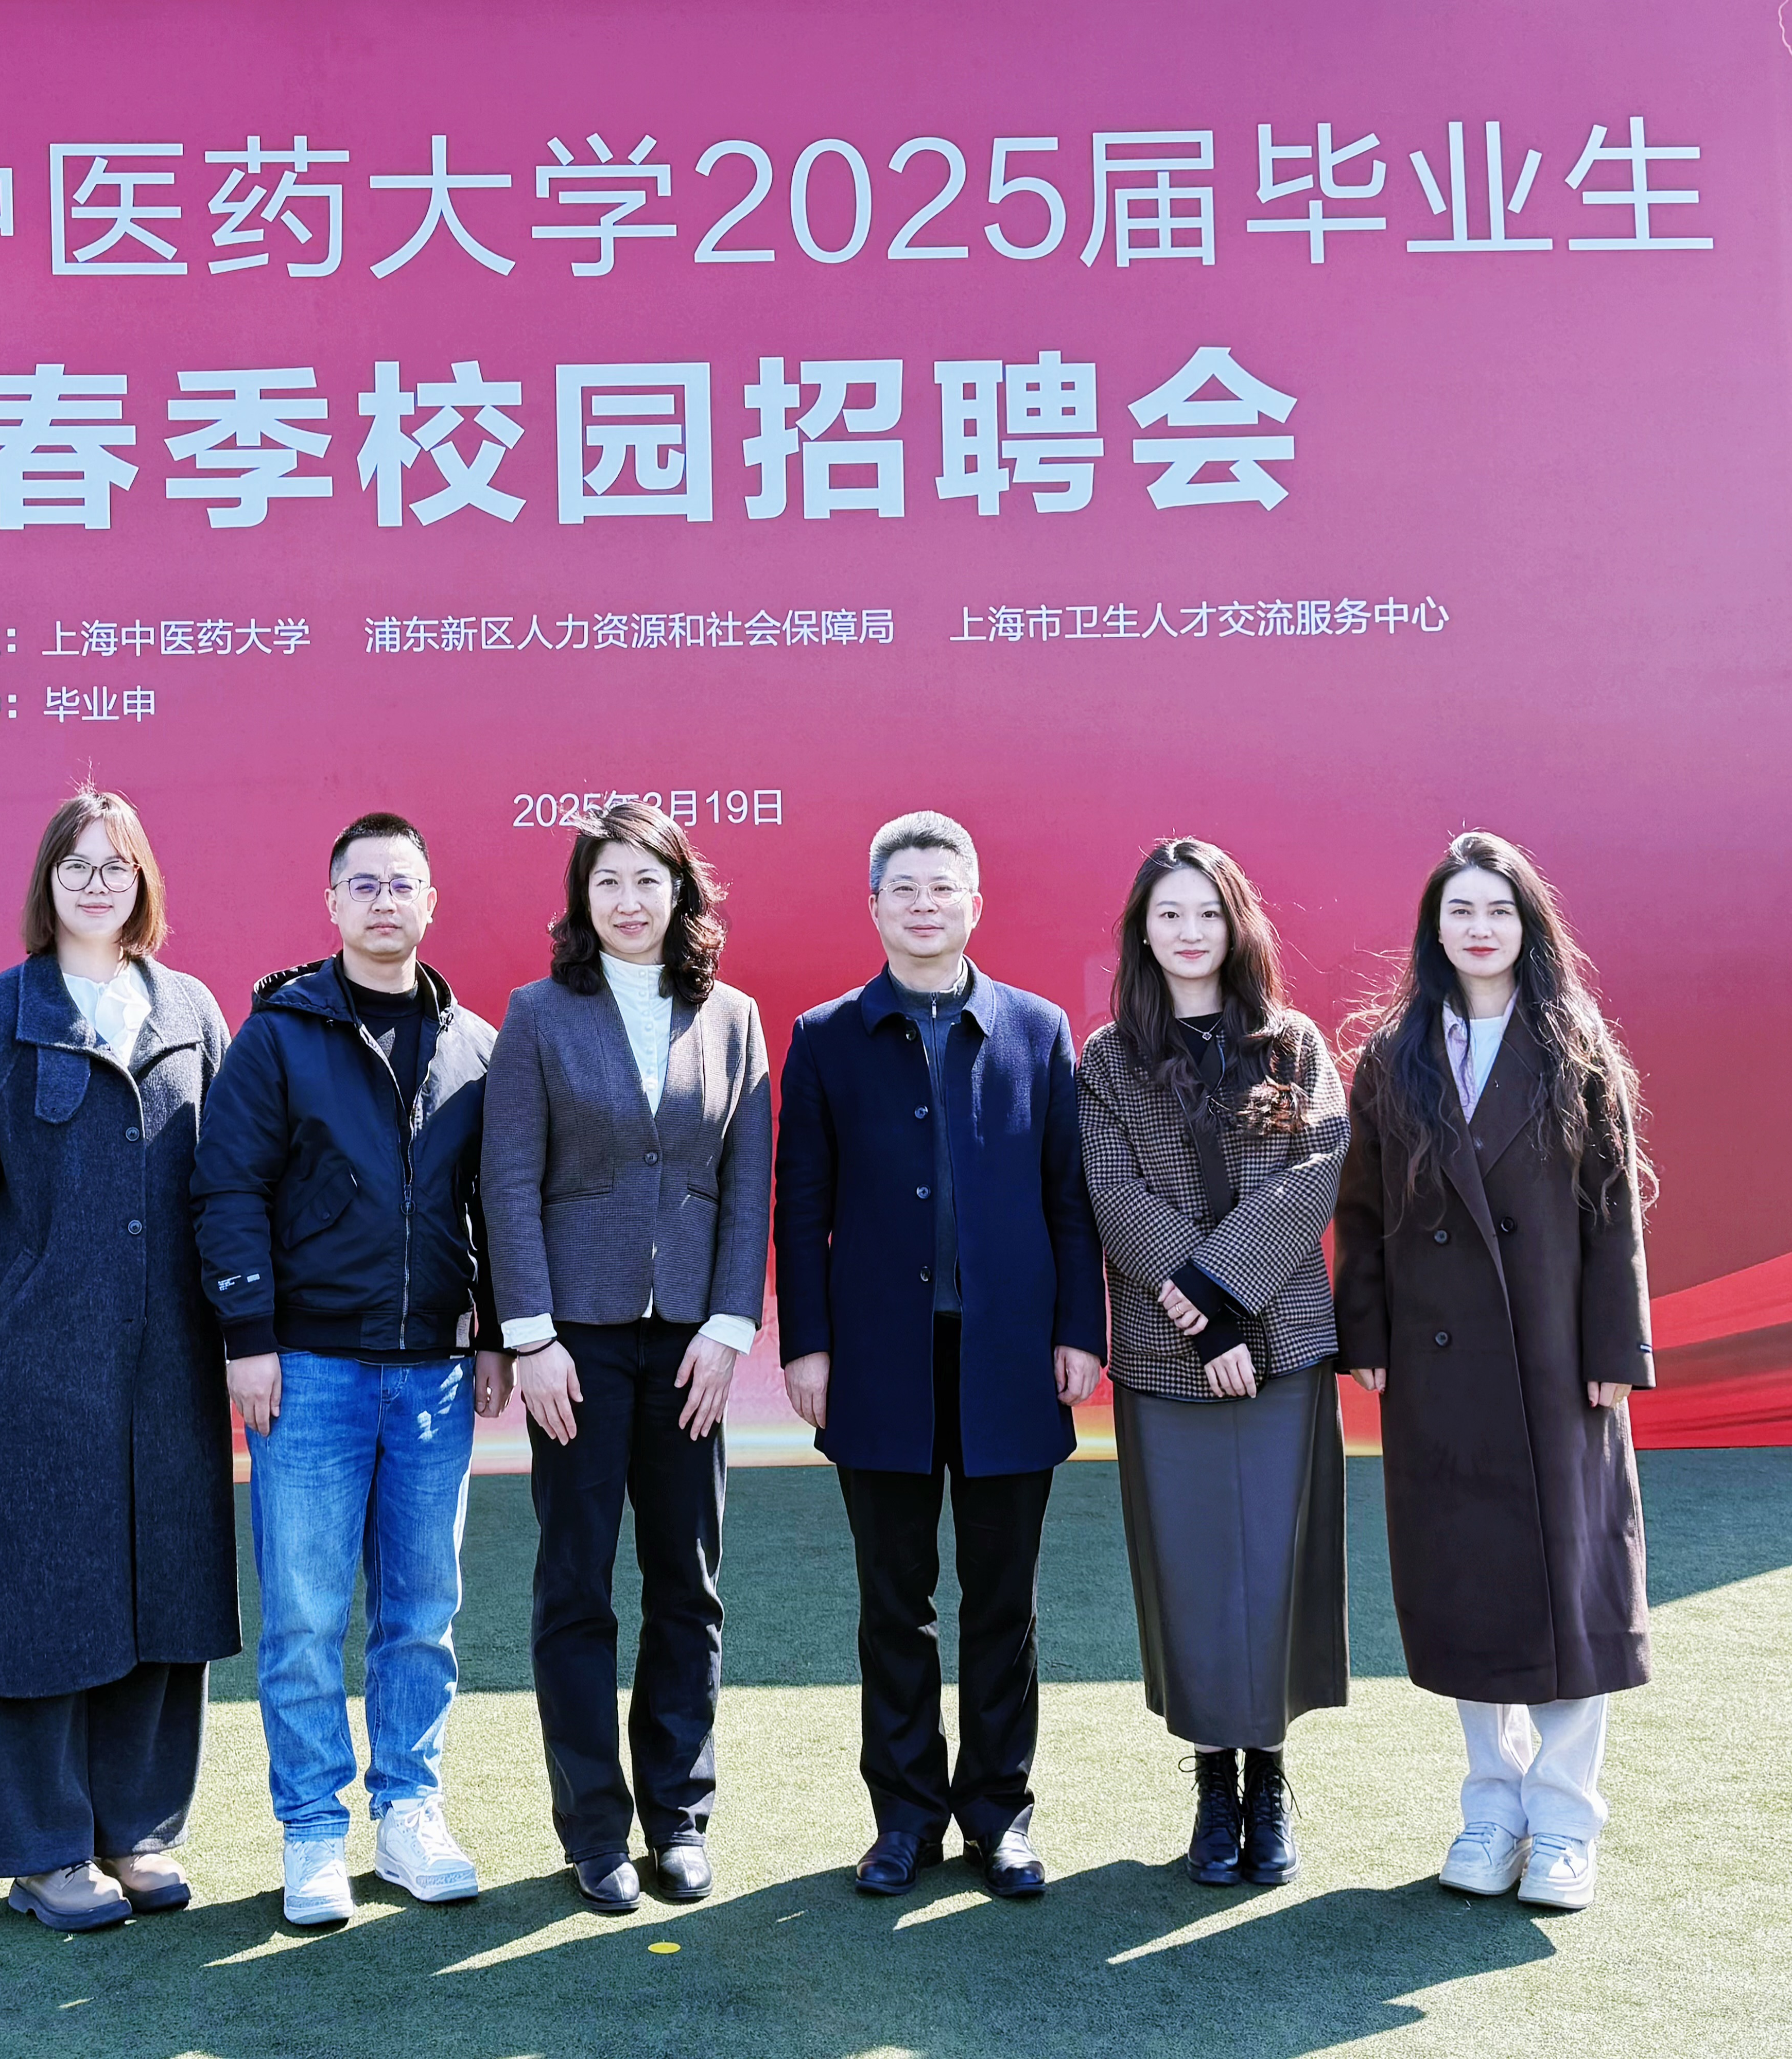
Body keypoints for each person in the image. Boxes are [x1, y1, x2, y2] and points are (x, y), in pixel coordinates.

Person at [0, 786, 236, 1933]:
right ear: (46, 882)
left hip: (174, 1357)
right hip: (35, 1360)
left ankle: (136, 1829)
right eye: (77, 864)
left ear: (145, 884)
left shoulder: (190, 1010)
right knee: (38, 1595)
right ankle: (45, 1849)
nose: (98, 884)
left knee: (164, 1588)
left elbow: (229, 1184)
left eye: (117, 865)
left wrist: (247, 1333)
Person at [775, 810, 1105, 1901]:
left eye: (943, 887)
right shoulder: (827, 1036)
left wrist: (1080, 1329)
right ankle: (905, 1819)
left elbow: (1070, 1197)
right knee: (895, 1604)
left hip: (1010, 1358)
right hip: (879, 1363)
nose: (925, 905)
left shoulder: (1037, 1030)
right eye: (904, 889)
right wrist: (809, 1345)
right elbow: (802, 1207)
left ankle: (999, 1816)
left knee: (1003, 1605)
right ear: (874, 906)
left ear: (975, 903)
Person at [189, 813, 509, 1927]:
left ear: (431, 903)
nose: (383, 902)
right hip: (309, 1371)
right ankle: (313, 1828)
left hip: (431, 1378)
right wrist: (248, 1338)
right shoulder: (279, 1037)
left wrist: (493, 1332)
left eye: (401, 884)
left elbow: (494, 1204)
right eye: (362, 884)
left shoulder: (475, 1045)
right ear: (331, 904)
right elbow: (227, 1190)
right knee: (305, 1616)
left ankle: (410, 1812)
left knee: (422, 1611)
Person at [1333, 830, 1655, 1913]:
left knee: (1573, 1585)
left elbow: (1612, 1208)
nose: (1479, 928)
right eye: (1460, 909)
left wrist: (1615, 1348)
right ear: (1434, 928)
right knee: (1465, 1584)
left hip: (1559, 1361)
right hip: (1440, 1364)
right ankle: (1492, 1806)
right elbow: (1361, 1213)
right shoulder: (1394, 1056)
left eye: (1499, 909)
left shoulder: (1573, 1042)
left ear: (1529, 926)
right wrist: (1368, 1336)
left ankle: (1564, 1820)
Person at [482, 802, 773, 1913]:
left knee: (687, 1584)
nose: (629, 900)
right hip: (576, 1344)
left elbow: (748, 1181)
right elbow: (508, 1181)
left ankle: (680, 1817)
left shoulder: (733, 1016)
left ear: (681, 893)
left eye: (649, 879)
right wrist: (532, 1335)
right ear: (582, 898)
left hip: (693, 1343)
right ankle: (595, 1830)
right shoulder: (538, 1014)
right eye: (607, 881)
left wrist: (730, 1327)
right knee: (575, 1584)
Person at [1077, 839, 1350, 1890]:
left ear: (1238, 924)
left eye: (1208, 912)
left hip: (1281, 1344)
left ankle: (1269, 1782)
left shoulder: (1291, 1044)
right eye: (1169, 914)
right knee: (1191, 1574)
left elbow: (1315, 1168)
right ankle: (1212, 1785)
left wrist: (1230, 1297)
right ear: (1142, 932)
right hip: (1167, 1354)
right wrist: (1203, 1323)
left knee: (1275, 1566)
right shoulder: (1109, 1058)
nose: (1190, 932)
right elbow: (1112, 1191)